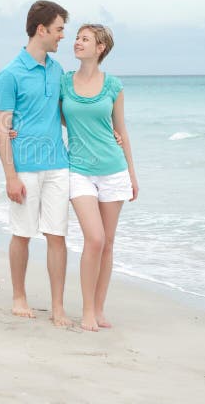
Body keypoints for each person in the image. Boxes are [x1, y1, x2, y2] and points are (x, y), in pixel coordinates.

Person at [0, 0, 72, 327]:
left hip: (58, 166)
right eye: (59, 30)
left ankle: (57, 306)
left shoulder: (57, 71)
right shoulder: (10, 74)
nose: (62, 37)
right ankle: (19, 297)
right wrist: (10, 176)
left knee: (57, 235)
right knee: (22, 233)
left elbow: (65, 117)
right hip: (24, 167)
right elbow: (1, 129)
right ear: (42, 30)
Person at [61, 24, 138, 331]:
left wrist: (132, 173)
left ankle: (100, 308)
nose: (77, 43)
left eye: (85, 39)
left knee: (107, 243)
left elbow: (121, 130)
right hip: (78, 169)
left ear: (100, 48)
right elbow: (54, 118)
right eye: (77, 38)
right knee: (94, 238)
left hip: (113, 169)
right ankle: (88, 310)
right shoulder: (64, 83)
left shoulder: (113, 86)